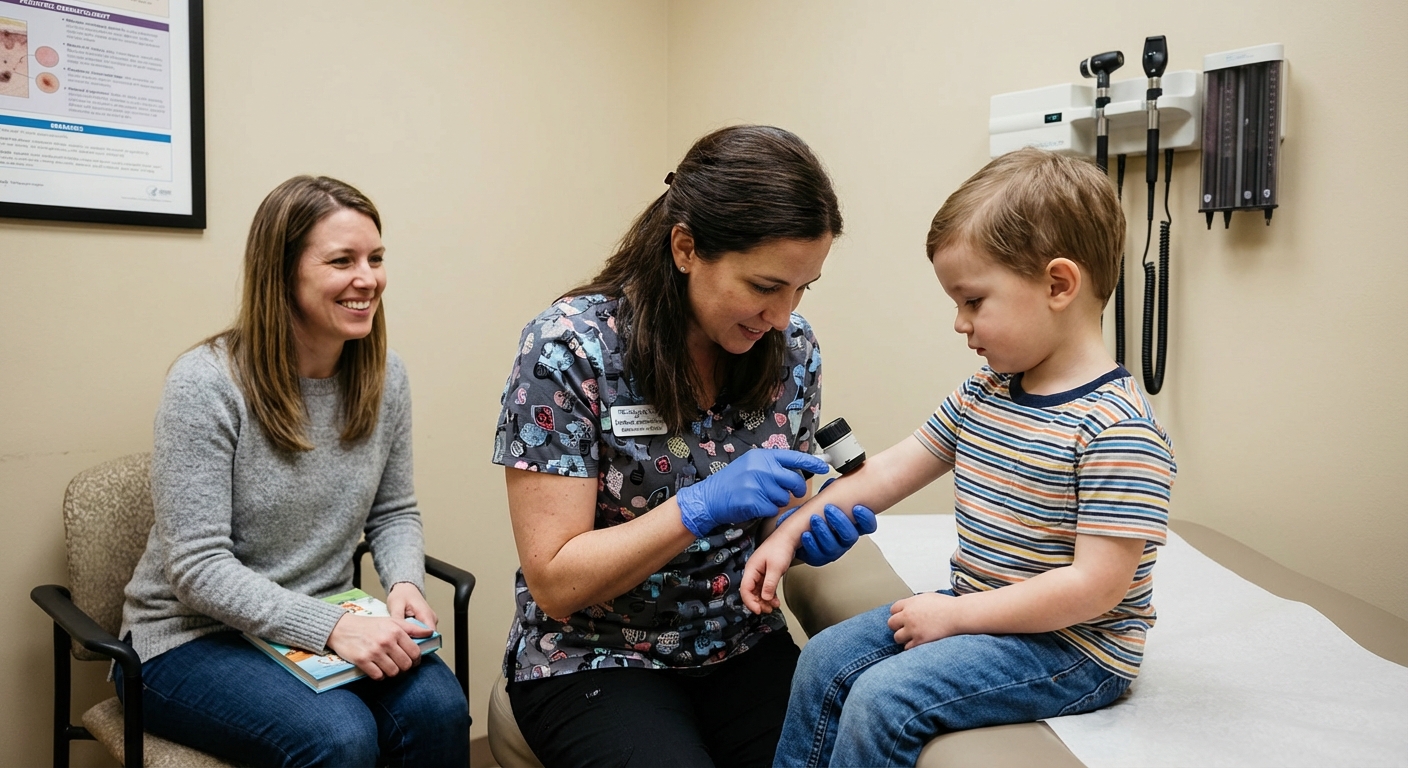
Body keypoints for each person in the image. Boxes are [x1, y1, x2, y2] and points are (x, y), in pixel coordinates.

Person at [742, 148, 1178, 767]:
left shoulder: (1116, 431)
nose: (958, 323)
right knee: (821, 660)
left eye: (972, 301)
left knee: (883, 700)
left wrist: (956, 616)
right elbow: (891, 470)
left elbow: (1094, 589)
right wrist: (787, 535)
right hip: (985, 609)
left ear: (1058, 285)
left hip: (1074, 648)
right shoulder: (985, 393)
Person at [492, 125, 876, 768]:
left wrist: (798, 532)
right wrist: (696, 508)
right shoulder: (570, 350)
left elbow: (774, 515)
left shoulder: (792, 351)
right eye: (764, 286)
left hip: (739, 641)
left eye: (802, 288)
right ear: (685, 248)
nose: (782, 316)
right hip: (595, 653)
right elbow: (555, 581)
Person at [119, 176, 469, 767]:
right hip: (187, 639)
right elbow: (196, 569)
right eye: (342, 261)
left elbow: (393, 511)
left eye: (376, 259)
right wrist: (330, 627)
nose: (368, 279)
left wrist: (405, 583)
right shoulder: (206, 384)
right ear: (283, 273)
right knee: (338, 737)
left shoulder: (386, 378)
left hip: (327, 619)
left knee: (439, 707)